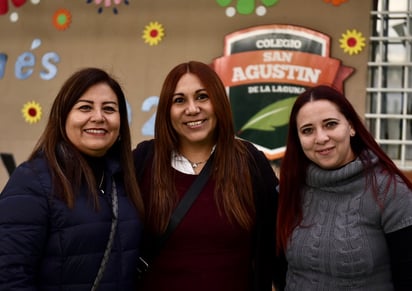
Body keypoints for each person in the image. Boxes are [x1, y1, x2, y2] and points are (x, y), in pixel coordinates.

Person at [133, 60, 286, 291]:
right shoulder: (144, 161)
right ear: (167, 110)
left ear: (219, 102)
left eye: (202, 97)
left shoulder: (250, 162)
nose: (192, 109)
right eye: (179, 100)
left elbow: (282, 243)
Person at [0, 67, 144, 290]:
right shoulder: (33, 181)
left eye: (109, 108)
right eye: (85, 107)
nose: (98, 117)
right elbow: (9, 275)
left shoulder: (123, 180)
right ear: (63, 117)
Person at [277, 84, 412, 290]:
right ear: (298, 139)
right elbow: (280, 271)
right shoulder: (289, 191)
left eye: (330, 124)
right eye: (307, 130)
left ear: (351, 127)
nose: (321, 138)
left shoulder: (391, 191)